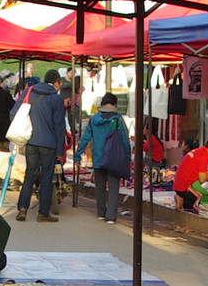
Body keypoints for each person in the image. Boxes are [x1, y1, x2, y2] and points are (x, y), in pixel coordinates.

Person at [14, 70, 68, 222]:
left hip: (31, 141)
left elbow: (15, 112)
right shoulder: (56, 99)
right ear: (56, 82)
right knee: (46, 178)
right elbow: (59, 126)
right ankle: (43, 213)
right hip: (49, 144)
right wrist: (60, 150)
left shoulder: (30, 92)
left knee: (29, 175)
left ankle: (22, 209)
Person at [74, 92, 129, 223]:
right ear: (115, 104)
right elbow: (125, 140)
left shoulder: (94, 119)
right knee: (114, 188)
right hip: (114, 158)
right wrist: (127, 157)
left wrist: (77, 156)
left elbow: (85, 138)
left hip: (98, 158)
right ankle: (110, 217)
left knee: (100, 187)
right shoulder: (117, 119)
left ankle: (100, 213)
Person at [172, 136, 208, 212]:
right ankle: (182, 199)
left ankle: (181, 199)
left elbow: (199, 174)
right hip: (184, 187)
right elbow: (202, 179)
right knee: (206, 198)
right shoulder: (203, 156)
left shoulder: (199, 151)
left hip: (178, 184)